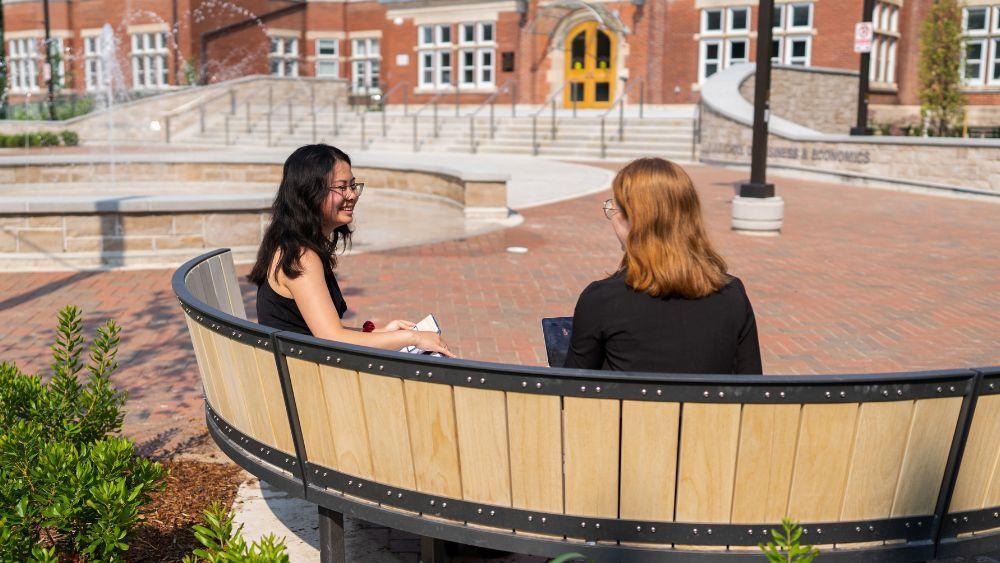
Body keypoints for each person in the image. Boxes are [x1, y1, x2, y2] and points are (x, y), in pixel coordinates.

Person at [249, 144, 454, 357]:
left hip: (304, 368)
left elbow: (317, 331)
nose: (352, 195)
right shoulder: (301, 257)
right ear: (309, 192)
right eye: (342, 187)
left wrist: (380, 334)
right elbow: (331, 338)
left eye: (353, 185)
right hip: (305, 381)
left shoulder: (292, 245)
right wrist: (414, 338)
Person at [563, 157, 761, 374]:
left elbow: (573, 392)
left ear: (635, 221)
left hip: (627, 408)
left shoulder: (601, 299)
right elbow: (752, 389)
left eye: (615, 208)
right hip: (710, 408)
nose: (612, 218)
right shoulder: (733, 294)